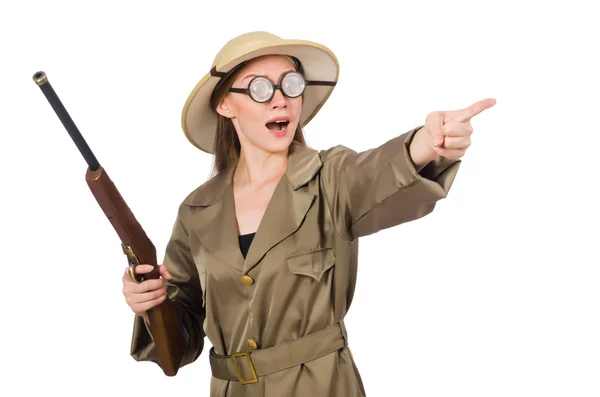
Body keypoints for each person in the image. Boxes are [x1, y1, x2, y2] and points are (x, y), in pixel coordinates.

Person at [121, 31, 495, 396]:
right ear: (225, 104)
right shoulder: (196, 211)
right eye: (260, 89)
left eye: (291, 85)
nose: (280, 100)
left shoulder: (330, 179)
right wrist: (151, 305)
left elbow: (377, 172)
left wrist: (428, 144)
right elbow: (181, 336)